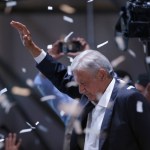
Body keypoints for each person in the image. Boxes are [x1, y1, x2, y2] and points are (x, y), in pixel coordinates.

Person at [10, 20, 150, 150]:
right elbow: (60, 75)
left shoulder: (129, 98)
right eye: (78, 84)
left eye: (83, 83)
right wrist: (32, 47)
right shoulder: (90, 91)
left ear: (101, 74)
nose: (81, 90)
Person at [33, 37, 90, 125]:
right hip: (77, 129)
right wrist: (49, 60)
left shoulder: (94, 82)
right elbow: (43, 83)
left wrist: (89, 56)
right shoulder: (64, 80)